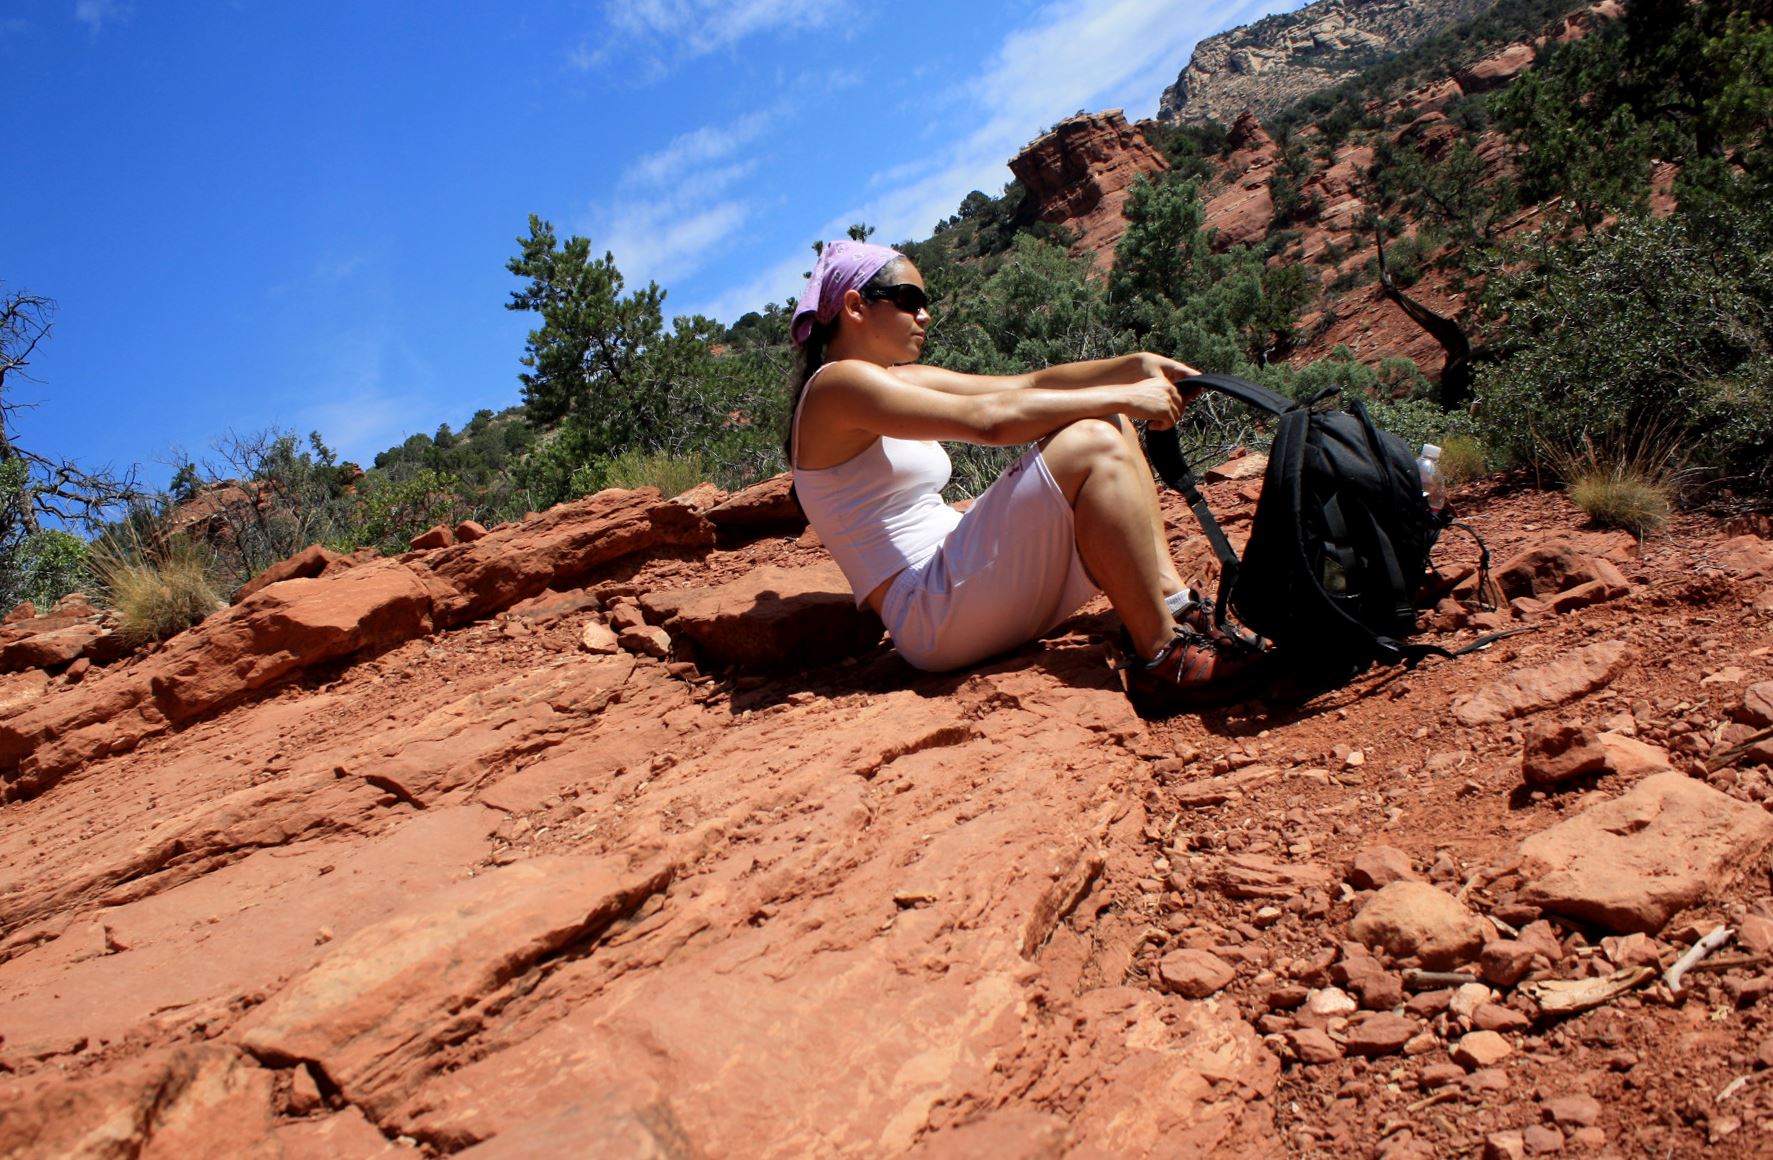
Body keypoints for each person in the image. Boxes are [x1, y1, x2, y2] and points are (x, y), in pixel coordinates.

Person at [787, 239, 1270, 711]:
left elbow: (1025, 385)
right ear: (854, 306)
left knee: (1112, 424)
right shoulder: (836, 385)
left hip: (961, 575)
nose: (925, 315)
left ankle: (1174, 604)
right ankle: (1162, 657)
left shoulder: (890, 379)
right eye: (910, 300)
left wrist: (1132, 368)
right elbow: (990, 421)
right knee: (1095, 437)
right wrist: (1122, 395)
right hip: (932, 611)